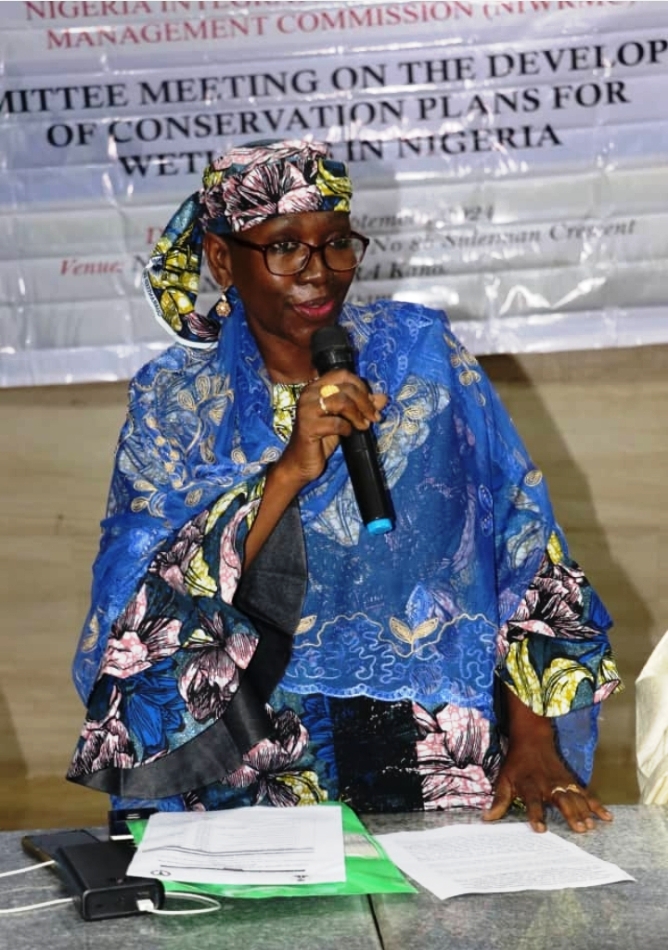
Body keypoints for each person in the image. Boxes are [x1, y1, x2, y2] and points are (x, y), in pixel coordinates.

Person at [67, 139, 622, 834]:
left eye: (336, 244)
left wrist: (535, 741)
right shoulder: (175, 402)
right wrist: (290, 470)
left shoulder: (423, 357)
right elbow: (138, 600)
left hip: (433, 749)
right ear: (221, 261)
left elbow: (523, 545)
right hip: (253, 756)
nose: (319, 272)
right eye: (284, 247)